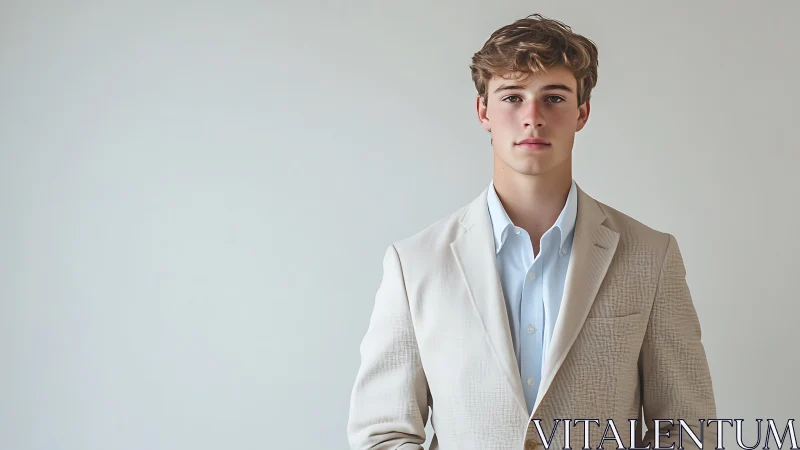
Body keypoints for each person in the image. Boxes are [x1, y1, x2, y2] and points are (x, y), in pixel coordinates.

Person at [347, 13, 716, 450]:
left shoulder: (650, 255)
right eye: (512, 97)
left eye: (554, 98)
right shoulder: (415, 263)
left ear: (582, 113)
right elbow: (383, 434)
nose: (532, 117)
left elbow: (688, 431)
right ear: (483, 111)